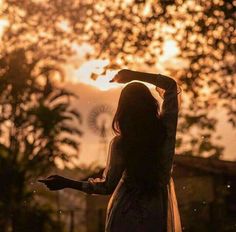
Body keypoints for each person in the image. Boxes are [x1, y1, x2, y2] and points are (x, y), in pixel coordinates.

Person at [39, 69, 182, 232]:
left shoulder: (122, 144)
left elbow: (107, 187)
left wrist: (67, 183)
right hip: (155, 215)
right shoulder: (165, 132)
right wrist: (134, 76)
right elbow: (170, 86)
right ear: (151, 104)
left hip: (124, 214)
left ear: (123, 111)